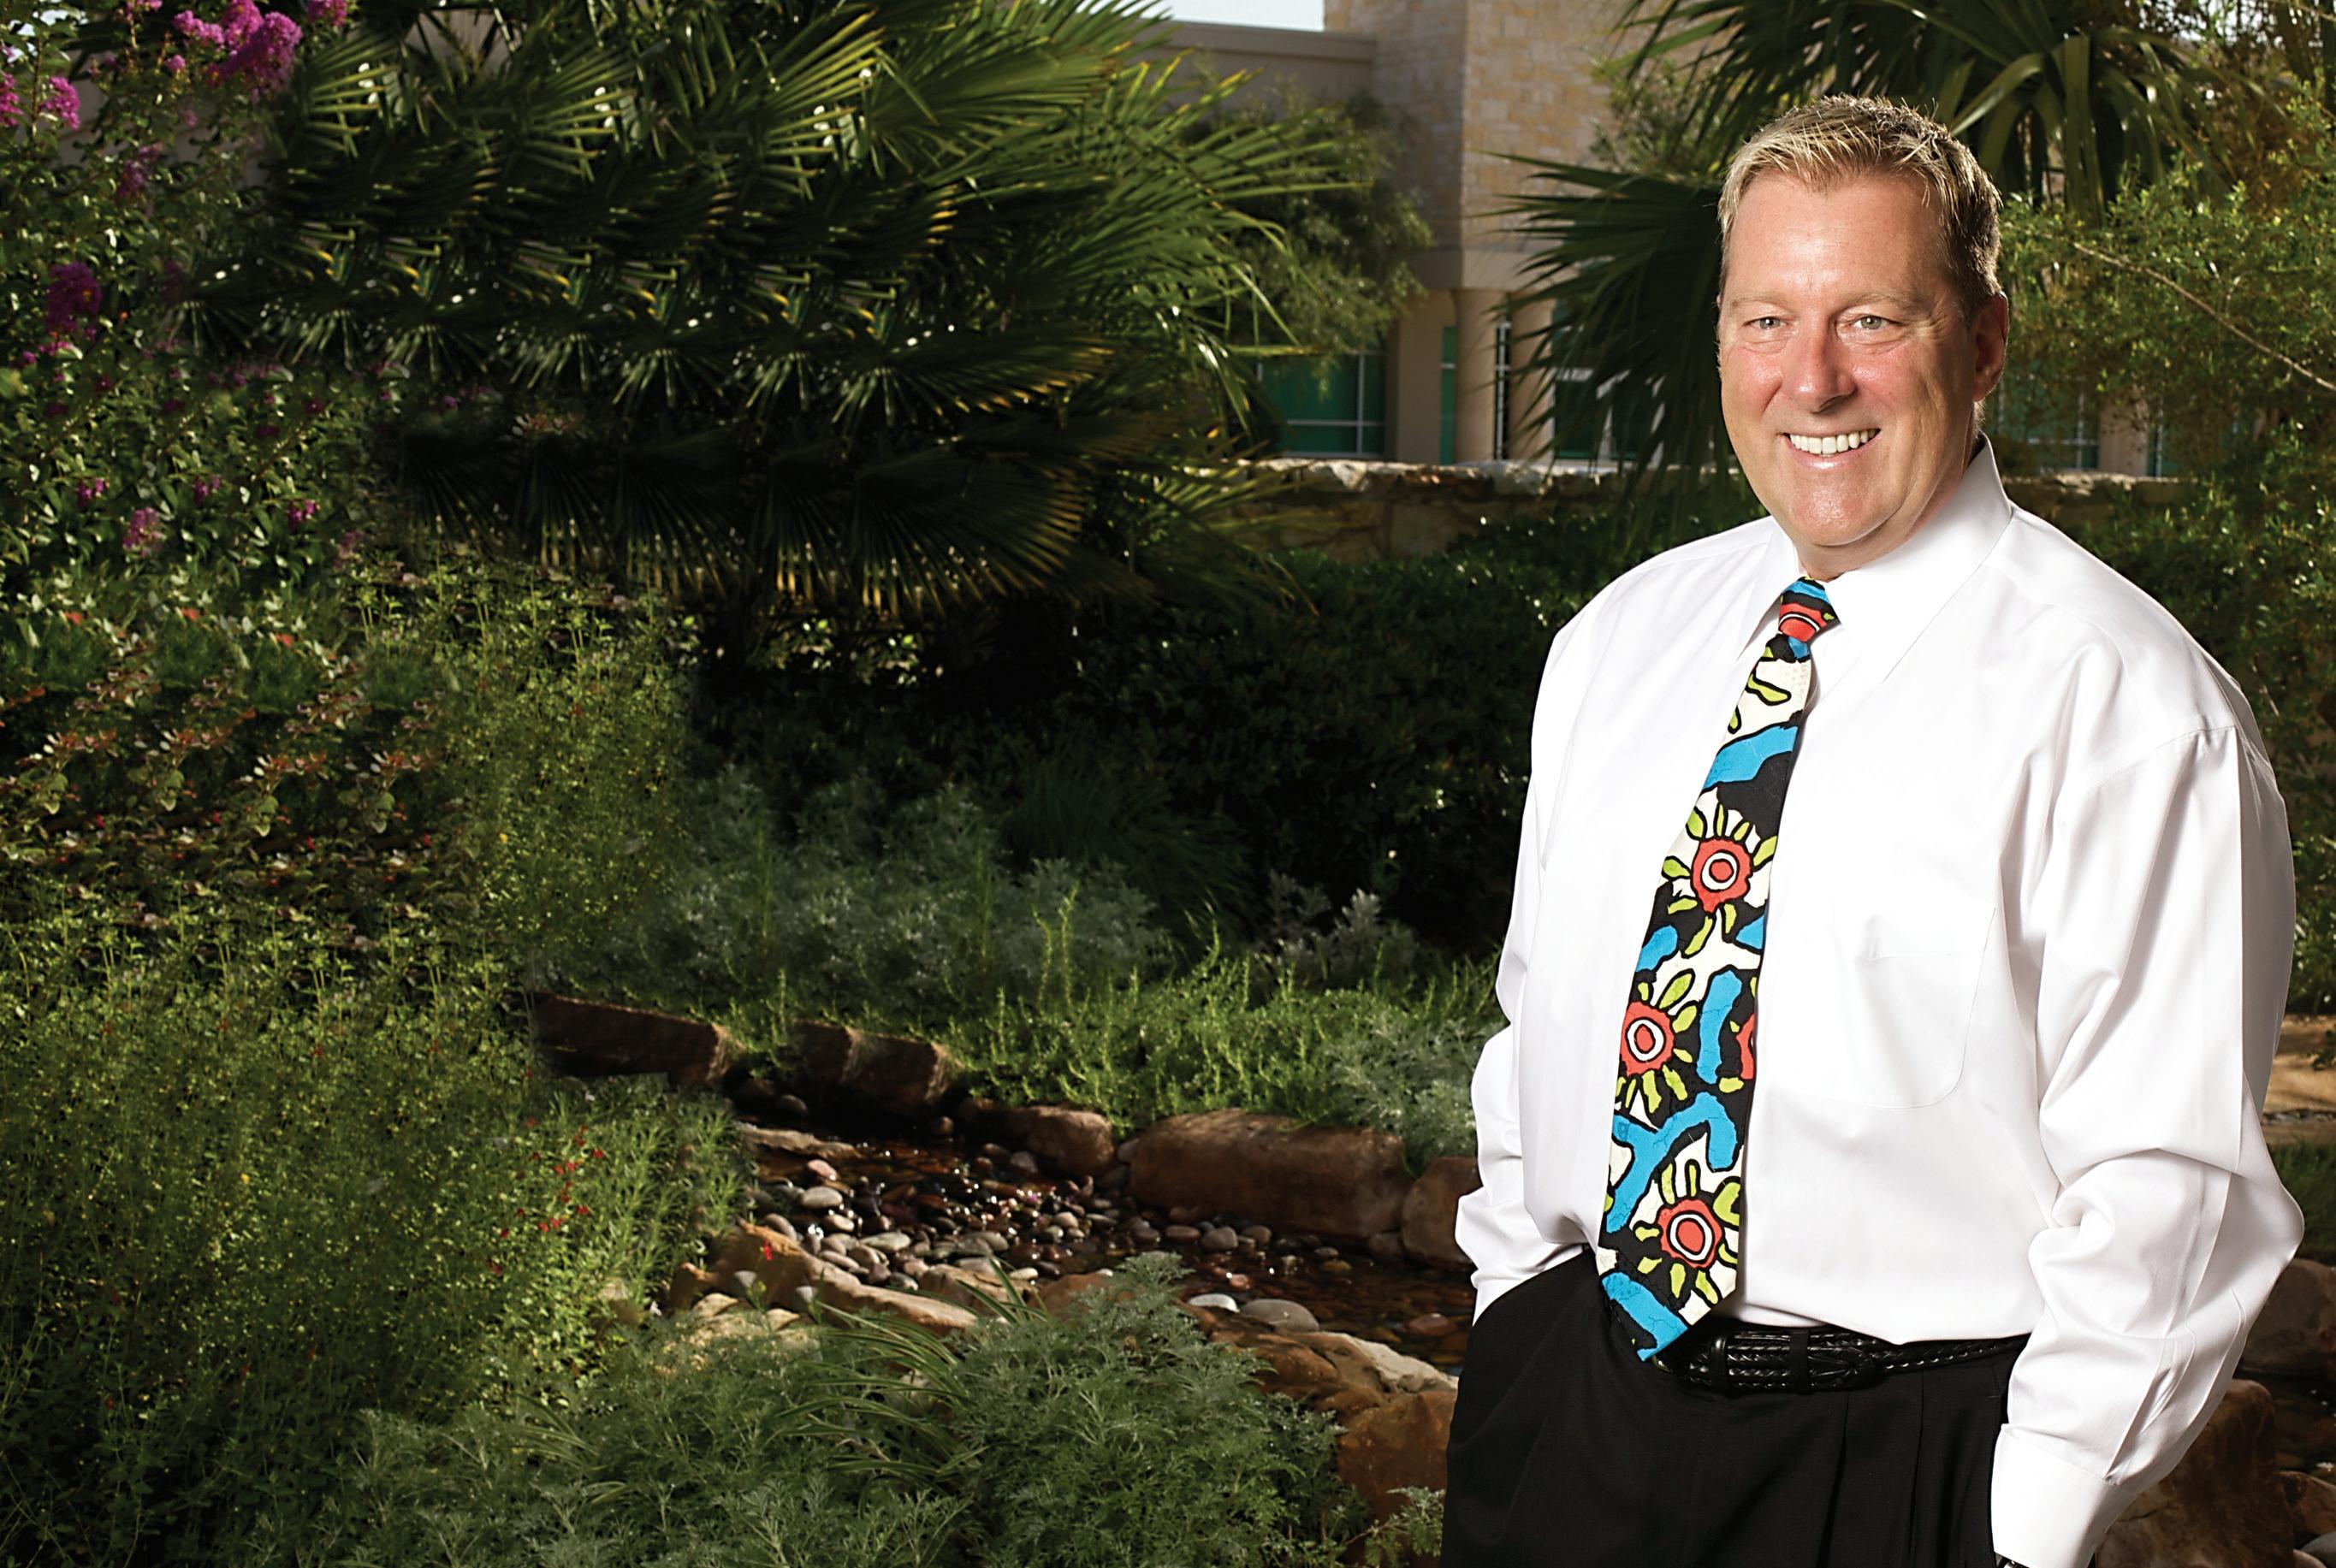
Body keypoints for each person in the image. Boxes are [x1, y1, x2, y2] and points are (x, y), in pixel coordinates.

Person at [1439, 95, 2303, 1568]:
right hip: (1572, 1413)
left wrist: (2016, 1524)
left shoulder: (2129, 707)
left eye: (1871, 320)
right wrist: (1516, 1310)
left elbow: (2171, 1189)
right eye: (1765, 320)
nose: (1812, 378)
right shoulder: (1616, 643)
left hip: (1901, 1464)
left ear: (1983, 341)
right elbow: (1542, 1024)